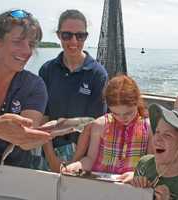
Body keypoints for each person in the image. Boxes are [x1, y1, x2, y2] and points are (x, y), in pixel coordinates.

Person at [0, 9, 51, 169]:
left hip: (18, 173)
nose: (27, 51)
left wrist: (49, 132)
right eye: (18, 41)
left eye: (31, 44)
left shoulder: (34, 85)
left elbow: (26, 142)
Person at [39, 9, 108, 172]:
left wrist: (75, 162)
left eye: (80, 36)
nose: (74, 41)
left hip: (84, 158)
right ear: (58, 35)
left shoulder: (98, 74)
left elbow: (94, 125)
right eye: (67, 35)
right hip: (49, 152)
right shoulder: (47, 70)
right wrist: (52, 159)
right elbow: (43, 119)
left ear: (86, 36)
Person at [63, 75, 153, 181]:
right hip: (102, 184)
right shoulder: (100, 125)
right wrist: (78, 165)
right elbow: (90, 159)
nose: (122, 118)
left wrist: (136, 175)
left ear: (137, 101)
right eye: (116, 113)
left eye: (128, 113)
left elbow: (152, 164)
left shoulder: (148, 127)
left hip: (132, 186)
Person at [131, 104, 178, 200]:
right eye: (157, 132)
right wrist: (136, 190)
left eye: (167, 135)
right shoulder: (144, 164)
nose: (157, 139)